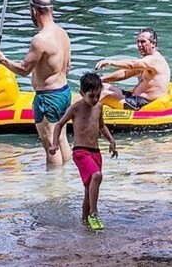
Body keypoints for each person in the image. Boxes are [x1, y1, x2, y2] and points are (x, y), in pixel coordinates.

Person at [0, 0, 73, 166]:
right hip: (64, 92)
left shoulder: (40, 39)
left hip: (48, 97)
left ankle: (53, 187)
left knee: (51, 143)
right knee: (62, 138)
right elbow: (68, 67)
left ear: (35, 11)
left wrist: (3, 60)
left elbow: (23, 70)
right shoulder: (63, 33)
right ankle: (67, 178)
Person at [49, 72, 118, 231]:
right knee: (96, 176)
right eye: (91, 96)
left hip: (96, 152)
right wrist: (54, 144)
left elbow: (101, 126)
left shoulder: (99, 107)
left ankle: (84, 221)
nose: (95, 99)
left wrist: (112, 141)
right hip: (80, 152)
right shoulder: (75, 109)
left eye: (98, 95)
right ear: (82, 93)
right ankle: (93, 212)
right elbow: (59, 124)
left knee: (89, 189)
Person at [95, 27, 171, 110]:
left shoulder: (155, 60)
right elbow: (126, 73)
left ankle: (84, 117)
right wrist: (102, 79)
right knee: (101, 86)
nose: (139, 45)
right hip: (134, 98)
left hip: (143, 103)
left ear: (153, 43)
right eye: (138, 42)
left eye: (143, 42)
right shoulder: (146, 61)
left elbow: (132, 64)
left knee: (104, 95)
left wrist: (110, 62)